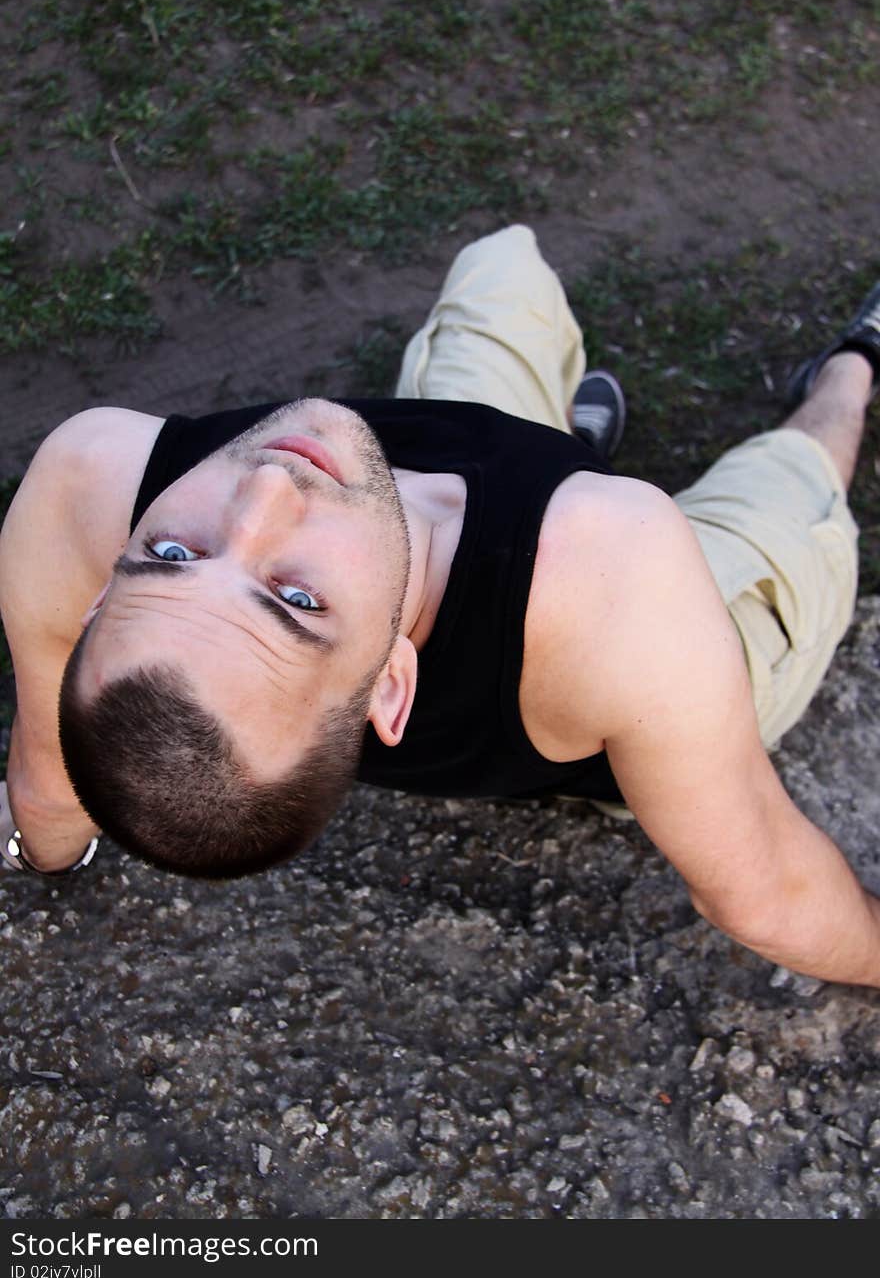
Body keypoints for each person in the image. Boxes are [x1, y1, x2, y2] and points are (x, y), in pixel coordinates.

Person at [1, 225, 878, 988]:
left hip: (520, 516)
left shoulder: (92, 483)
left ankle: (562, 446)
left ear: (99, 605)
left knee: (505, 268)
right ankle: (846, 372)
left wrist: (40, 856)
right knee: (794, 486)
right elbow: (760, 891)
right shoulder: (623, 581)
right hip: (636, 690)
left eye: (171, 555)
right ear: (388, 686)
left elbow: (47, 782)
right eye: (296, 599)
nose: (267, 484)